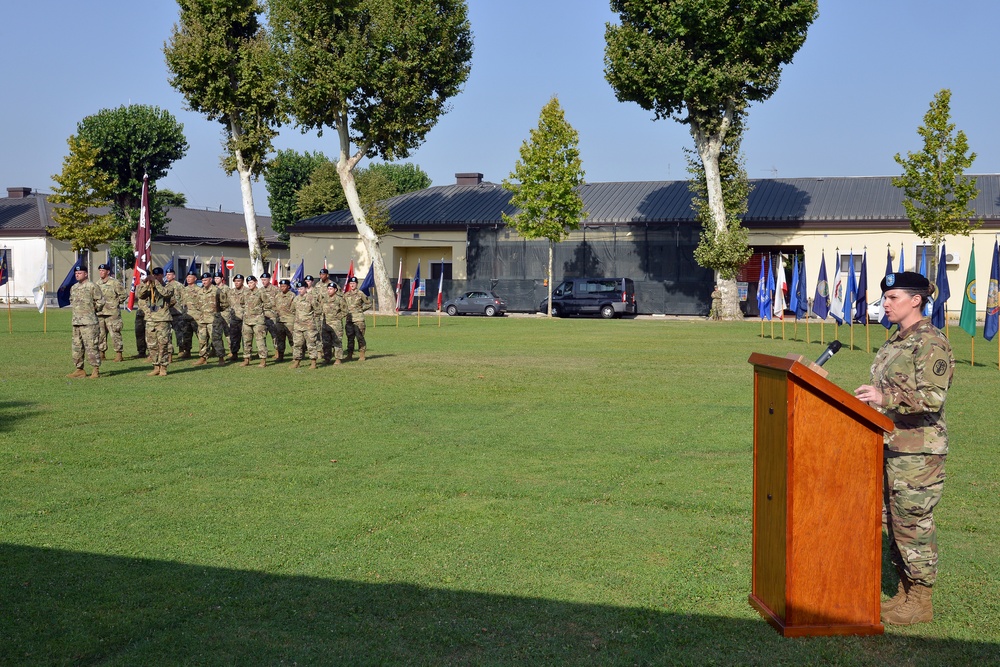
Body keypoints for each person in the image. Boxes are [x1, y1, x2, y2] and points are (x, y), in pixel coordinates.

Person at [854, 271, 954, 626]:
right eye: (885, 298)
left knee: (912, 523)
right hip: (890, 443)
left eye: (893, 297)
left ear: (916, 300)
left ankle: (921, 600)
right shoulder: (895, 341)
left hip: (918, 452)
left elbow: (933, 396)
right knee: (893, 522)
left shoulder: (931, 342)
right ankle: (905, 591)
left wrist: (885, 397)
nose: (886, 304)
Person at [136, 267, 177, 376]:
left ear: (162, 275)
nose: (156, 277)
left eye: (158, 275)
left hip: (163, 319)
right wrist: (147, 284)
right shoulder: (150, 286)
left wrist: (156, 283)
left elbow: (166, 293)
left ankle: (163, 367)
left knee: (163, 344)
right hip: (150, 319)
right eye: (154, 275)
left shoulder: (168, 286)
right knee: (151, 345)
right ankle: (155, 366)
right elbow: (140, 295)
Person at [67, 264, 105, 379]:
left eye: (80, 273)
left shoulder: (92, 286)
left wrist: (93, 309)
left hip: (89, 322)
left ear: (86, 274)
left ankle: (95, 369)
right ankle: (79, 369)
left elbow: (100, 301)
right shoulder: (74, 287)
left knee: (91, 346)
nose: (77, 275)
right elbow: (72, 300)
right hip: (77, 322)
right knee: (77, 347)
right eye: (76, 274)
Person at [192, 272, 229, 366]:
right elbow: (196, 304)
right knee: (202, 340)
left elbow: (224, 304)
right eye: (203, 280)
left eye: (205, 280)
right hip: (202, 319)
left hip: (213, 320)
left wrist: (216, 312)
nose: (204, 282)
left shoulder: (217, 290)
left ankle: (221, 357)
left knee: (216, 339)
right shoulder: (200, 291)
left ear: (210, 280)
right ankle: (203, 358)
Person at [95, 262, 126, 362]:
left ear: (108, 272)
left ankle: (118, 354)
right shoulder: (97, 283)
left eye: (103, 271)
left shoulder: (115, 283)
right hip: (100, 313)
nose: (101, 272)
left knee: (115, 333)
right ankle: (101, 353)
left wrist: (115, 303)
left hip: (112, 313)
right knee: (100, 334)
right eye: (100, 270)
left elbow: (123, 295)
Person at [240, 276, 269, 367]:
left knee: (260, 341)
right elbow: (242, 303)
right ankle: (246, 359)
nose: (249, 284)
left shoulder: (261, 292)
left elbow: (268, 303)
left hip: (258, 321)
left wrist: (260, 310)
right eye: (248, 283)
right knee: (246, 341)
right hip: (247, 321)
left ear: (256, 282)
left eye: (251, 282)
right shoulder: (246, 293)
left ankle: (263, 360)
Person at [291, 281, 320, 369]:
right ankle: (297, 362)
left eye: (302, 288)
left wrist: (311, 318)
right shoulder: (296, 299)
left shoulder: (311, 298)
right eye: (299, 289)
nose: (300, 290)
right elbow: (292, 310)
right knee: (297, 344)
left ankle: (313, 362)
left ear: (306, 288)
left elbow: (318, 310)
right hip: (298, 326)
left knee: (311, 344)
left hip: (309, 326)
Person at [343, 276, 372, 361]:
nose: (352, 285)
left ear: (356, 284)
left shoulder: (360, 293)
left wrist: (361, 309)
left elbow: (368, 303)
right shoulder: (346, 295)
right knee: (350, 338)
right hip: (349, 319)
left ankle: (362, 355)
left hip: (359, 319)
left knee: (360, 337)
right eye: (351, 283)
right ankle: (349, 354)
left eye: (354, 283)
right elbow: (343, 305)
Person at [323, 281, 348, 364]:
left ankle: (338, 359)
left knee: (337, 342)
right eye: (328, 289)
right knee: (326, 342)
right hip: (326, 324)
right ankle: (327, 358)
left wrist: (338, 317)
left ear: (335, 290)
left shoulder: (339, 299)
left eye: (331, 289)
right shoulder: (324, 298)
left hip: (336, 324)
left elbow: (345, 311)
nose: (329, 290)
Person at [271, 278, 296, 362]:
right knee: (280, 339)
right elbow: (274, 306)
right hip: (279, 320)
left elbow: (294, 308)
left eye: (284, 286)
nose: (282, 288)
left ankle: (295, 356)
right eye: (281, 286)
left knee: (292, 339)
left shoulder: (292, 295)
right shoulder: (277, 295)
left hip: (289, 320)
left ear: (288, 286)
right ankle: (280, 356)